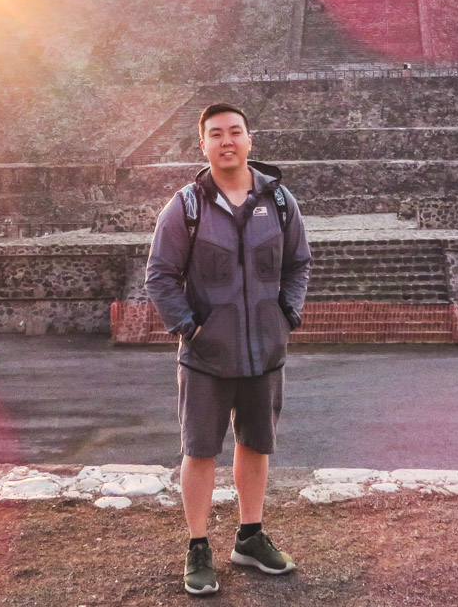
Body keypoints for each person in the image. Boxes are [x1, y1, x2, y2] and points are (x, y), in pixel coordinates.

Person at [146, 103, 312, 597]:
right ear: (203, 144)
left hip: (265, 348)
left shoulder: (279, 202)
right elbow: (160, 275)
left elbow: (298, 264)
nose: (227, 141)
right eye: (215, 134)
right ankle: (198, 545)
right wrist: (189, 328)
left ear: (249, 139)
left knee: (256, 444)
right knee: (199, 451)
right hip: (206, 356)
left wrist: (287, 316)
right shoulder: (186, 206)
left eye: (235, 132)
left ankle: (250, 535)